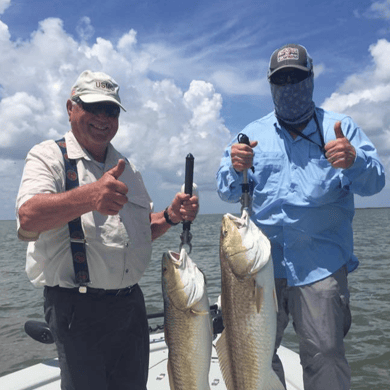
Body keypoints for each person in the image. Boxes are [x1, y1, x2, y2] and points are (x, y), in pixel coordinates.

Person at [16, 70, 199, 390]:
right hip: (77, 309)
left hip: (131, 307)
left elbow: (137, 234)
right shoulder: (49, 157)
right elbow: (28, 218)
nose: (103, 117)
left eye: (111, 110)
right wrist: (87, 197)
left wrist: (170, 216)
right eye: (93, 107)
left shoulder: (129, 169)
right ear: (71, 107)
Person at [216, 44, 385, 390]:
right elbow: (225, 189)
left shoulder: (340, 126)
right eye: (282, 80)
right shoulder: (251, 134)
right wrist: (235, 168)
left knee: (325, 354)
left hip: (320, 265)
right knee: (254, 353)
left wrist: (355, 161)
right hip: (260, 269)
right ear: (270, 85)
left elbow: (376, 182)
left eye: (297, 77)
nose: (290, 86)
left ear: (311, 78)